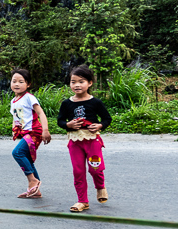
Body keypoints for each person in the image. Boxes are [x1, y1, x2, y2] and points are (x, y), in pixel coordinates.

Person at [57, 65, 112, 212]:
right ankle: (82, 201)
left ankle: (100, 187)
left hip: (92, 140)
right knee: (78, 171)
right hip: (75, 142)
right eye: (73, 81)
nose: (76, 85)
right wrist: (68, 125)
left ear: (90, 83)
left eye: (81, 81)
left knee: (95, 169)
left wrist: (100, 126)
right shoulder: (66, 103)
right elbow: (60, 121)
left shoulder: (95, 102)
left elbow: (107, 119)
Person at [9, 69, 51, 198]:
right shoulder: (13, 101)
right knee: (27, 159)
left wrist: (45, 130)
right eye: (14, 81)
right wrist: (14, 130)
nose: (17, 84)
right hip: (24, 133)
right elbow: (15, 117)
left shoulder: (29, 97)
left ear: (28, 85)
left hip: (34, 132)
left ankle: (32, 180)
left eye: (21, 82)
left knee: (17, 153)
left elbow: (40, 113)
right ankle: (35, 190)